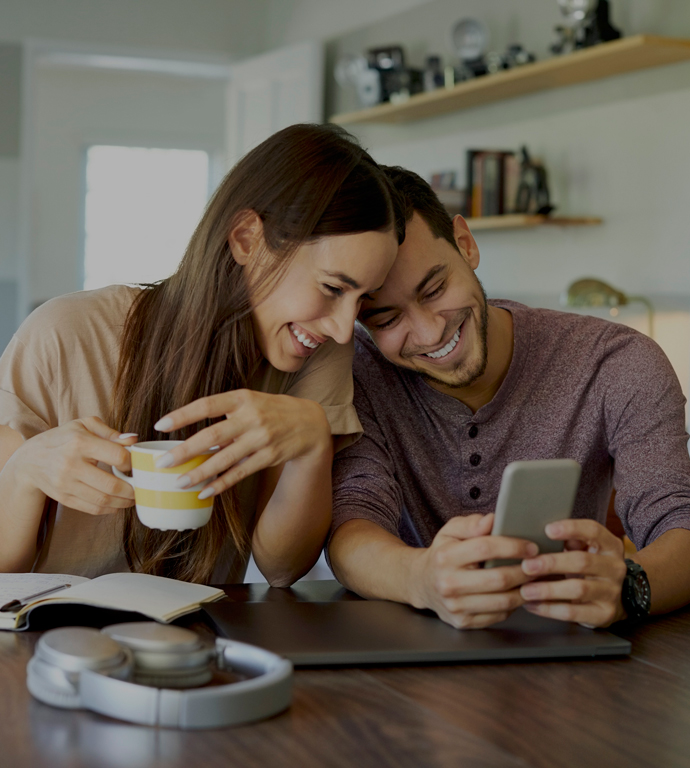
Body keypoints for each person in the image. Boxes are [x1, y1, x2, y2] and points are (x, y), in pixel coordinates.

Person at [0, 124, 400, 586]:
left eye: (362, 300)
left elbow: (282, 568)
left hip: (200, 641)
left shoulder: (317, 353)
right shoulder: (65, 335)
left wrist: (310, 447)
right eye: (332, 287)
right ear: (247, 239)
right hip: (54, 642)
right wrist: (24, 475)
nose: (341, 326)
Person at [329, 166, 690, 629]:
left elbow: (688, 530)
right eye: (387, 319)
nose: (430, 331)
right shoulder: (358, 378)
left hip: (568, 662)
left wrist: (629, 586)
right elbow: (351, 526)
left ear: (466, 244)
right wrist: (421, 578)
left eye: (435, 288)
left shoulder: (616, 362)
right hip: (406, 665)